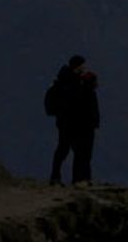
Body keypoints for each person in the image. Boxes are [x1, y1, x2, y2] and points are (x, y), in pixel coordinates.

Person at [49, 55, 101, 185]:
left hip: (73, 123)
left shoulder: (74, 81)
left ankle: (77, 178)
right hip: (71, 123)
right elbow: (76, 103)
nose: (84, 69)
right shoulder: (70, 82)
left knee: (74, 151)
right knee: (71, 150)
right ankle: (74, 178)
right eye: (82, 66)